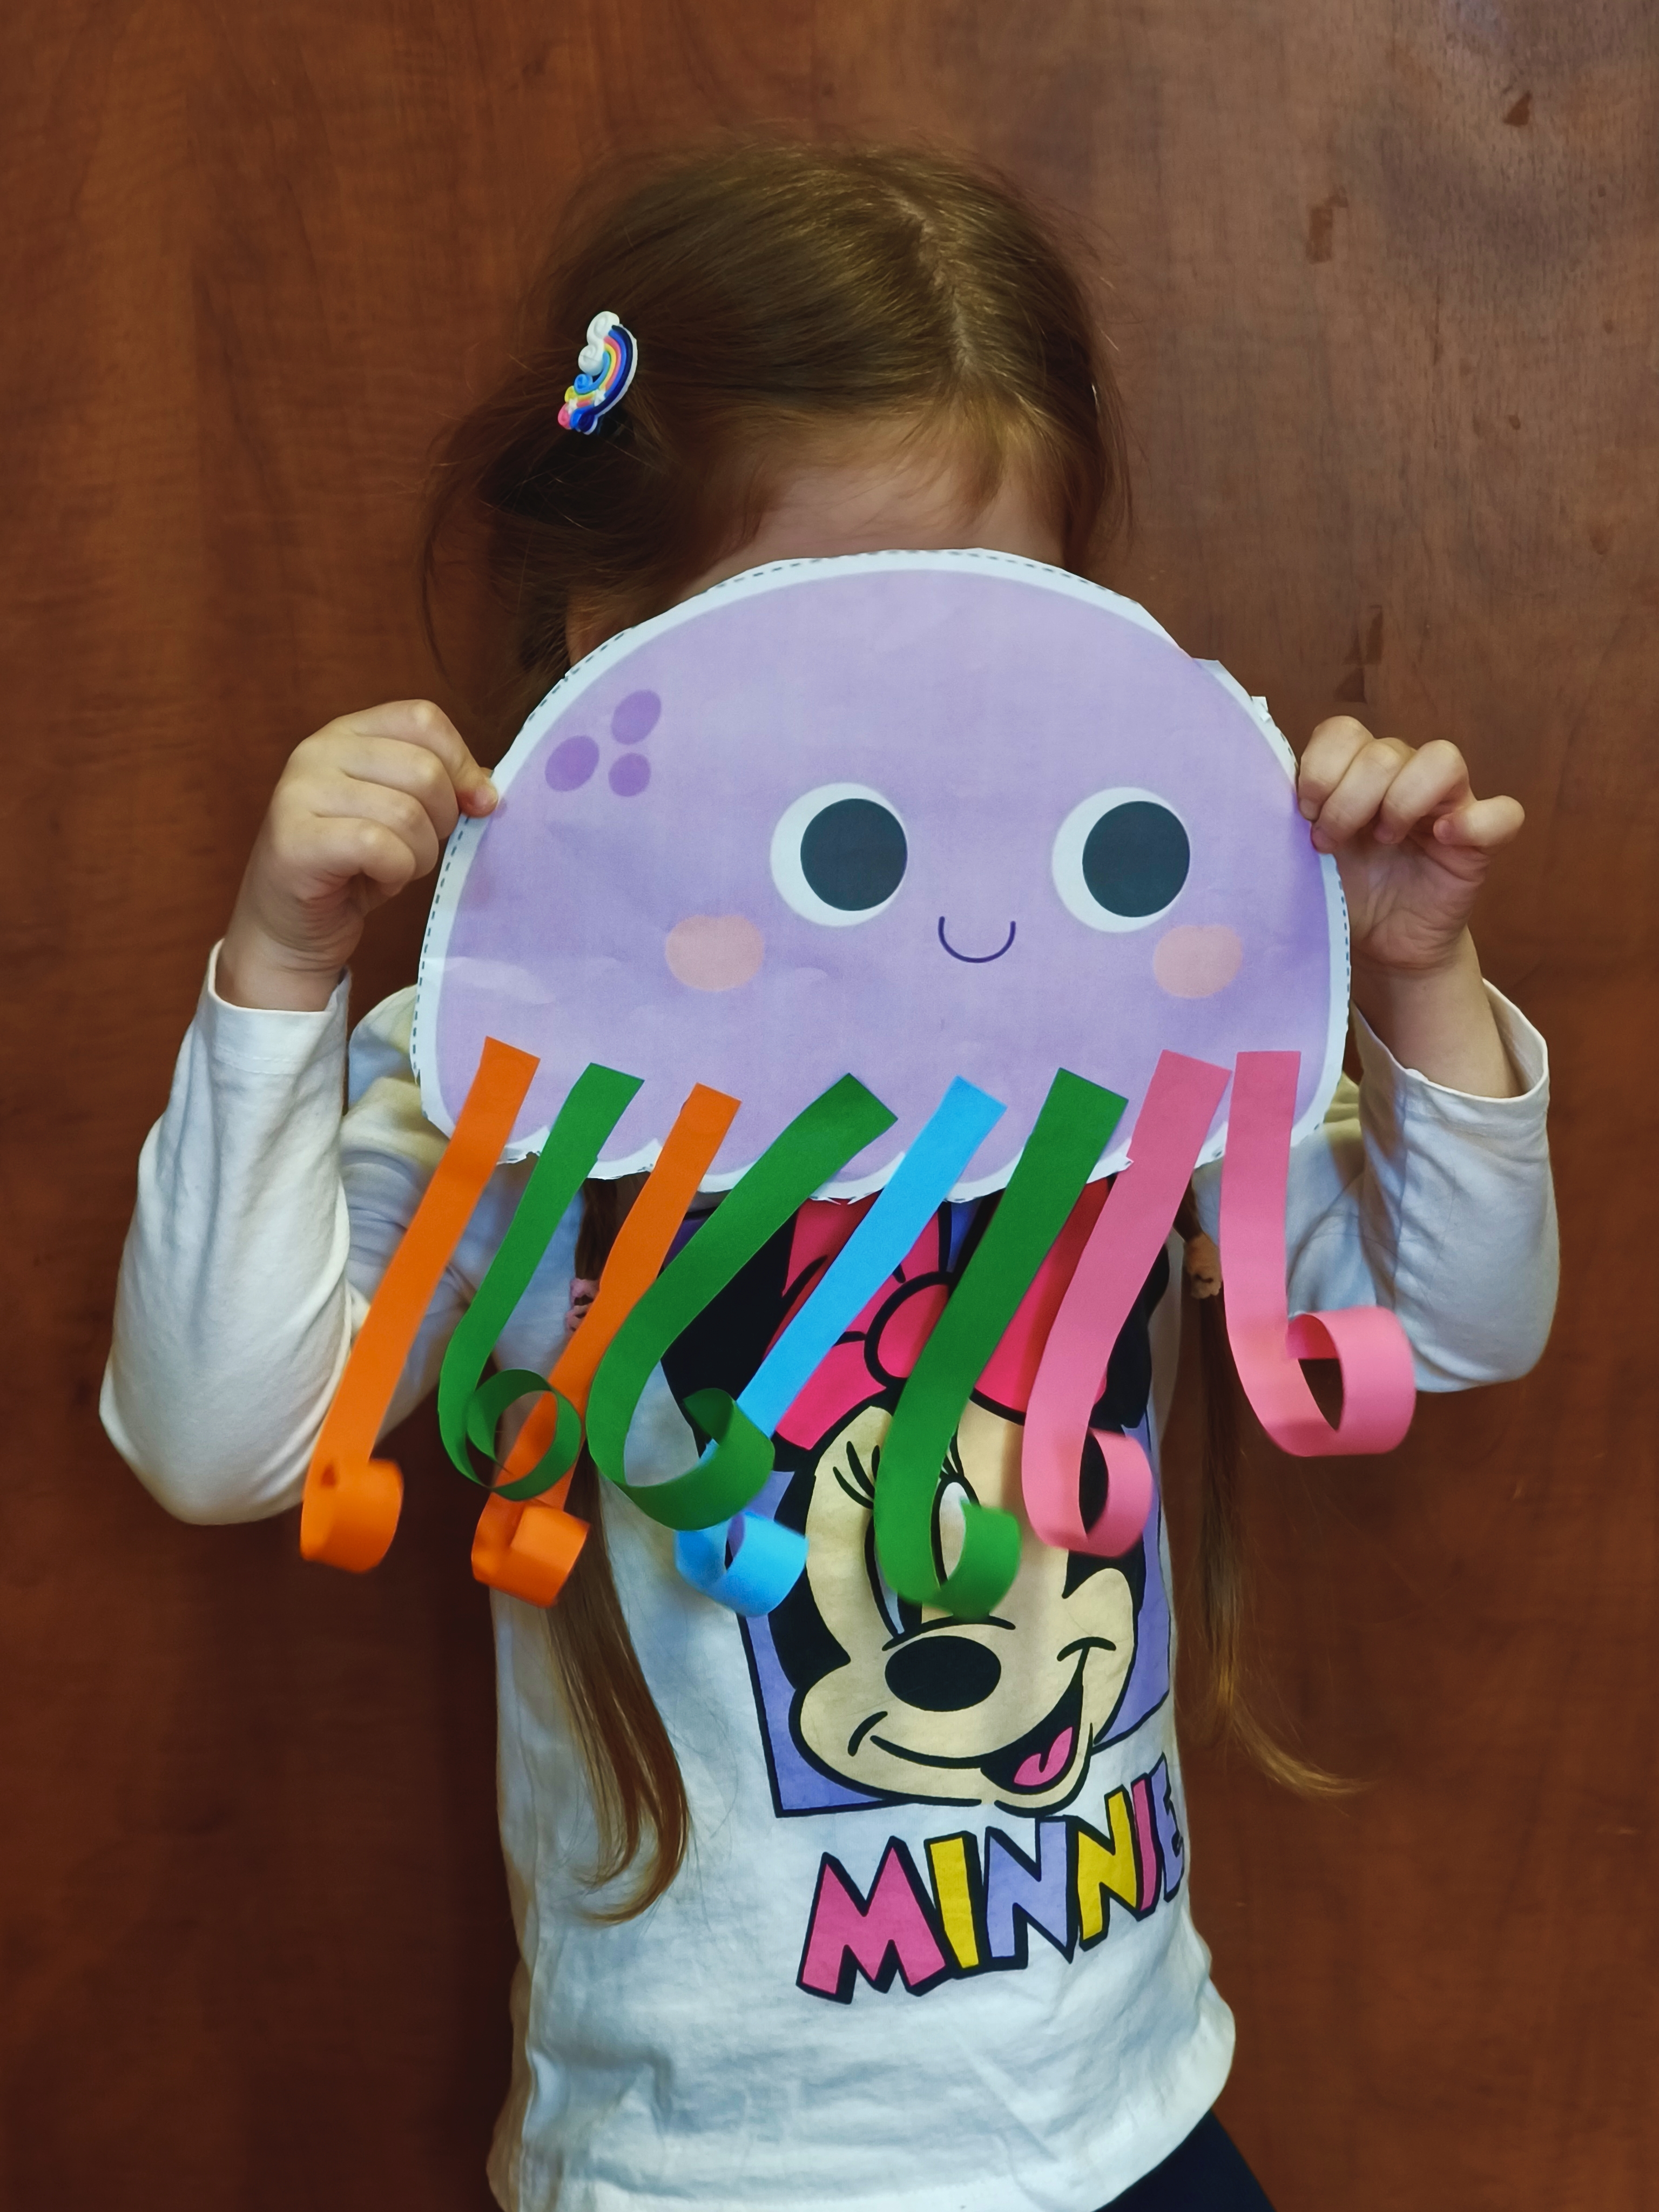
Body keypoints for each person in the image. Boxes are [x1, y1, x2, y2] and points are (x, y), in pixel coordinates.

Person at [101, 140, 1557, 2211]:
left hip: (1132, 2118)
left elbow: (1453, 1326)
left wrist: (1413, 981)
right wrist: (282, 972)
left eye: (981, 649)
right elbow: (221, 1440)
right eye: (816, 655)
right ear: (603, 635)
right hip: (704, 2171)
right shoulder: (516, 1071)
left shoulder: (1133, 1041)